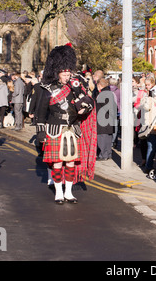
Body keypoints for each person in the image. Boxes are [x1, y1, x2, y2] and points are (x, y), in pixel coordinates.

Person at [36, 44, 95, 204]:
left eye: (69, 71)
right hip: (55, 129)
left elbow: (89, 101)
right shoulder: (47, 89)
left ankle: (69, 192)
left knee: (70, 163)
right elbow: (40, 114)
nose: (67, 74)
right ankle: (58, 192)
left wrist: (85, 108)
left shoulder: (75, 86)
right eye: (64, 71)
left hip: (72, 129)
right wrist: (40, 132)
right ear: (57, 71)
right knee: (57, 163)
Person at [96, 78, 117, 161]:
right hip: (110, 119)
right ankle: (108, 154)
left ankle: (103, 155)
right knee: (108, 138)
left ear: (99, 85)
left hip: (103, 120)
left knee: (102, 138)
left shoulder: (102, 94)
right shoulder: (110, 93)